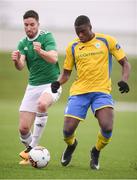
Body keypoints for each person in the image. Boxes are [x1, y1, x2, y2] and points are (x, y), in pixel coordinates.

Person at [51, 15, 131, 170]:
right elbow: (66, 74)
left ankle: (96, 151)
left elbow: (125, 63)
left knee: (107, 127)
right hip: (79, 92)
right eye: (77, 32)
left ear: (90, 27)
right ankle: (72, 145)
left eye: (83, 31)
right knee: (67, 131)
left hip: (101, 92)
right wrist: (57, 82)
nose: (80, 35)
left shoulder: (107, 41)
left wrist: (124, 80)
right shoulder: (72, 47)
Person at [11, 10, 62, 165]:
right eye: (26, 25)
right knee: (23, 128)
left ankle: (32, 148)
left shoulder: (46, 37)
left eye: (32, 24)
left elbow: (54, 58)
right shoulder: (22, 43)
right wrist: (16, 60)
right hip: (33, 86)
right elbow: (21, 66)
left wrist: (41, 51)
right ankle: (32, 155)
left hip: (52, 84)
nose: (29, 28)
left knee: (42, 104)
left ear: (38, 24)